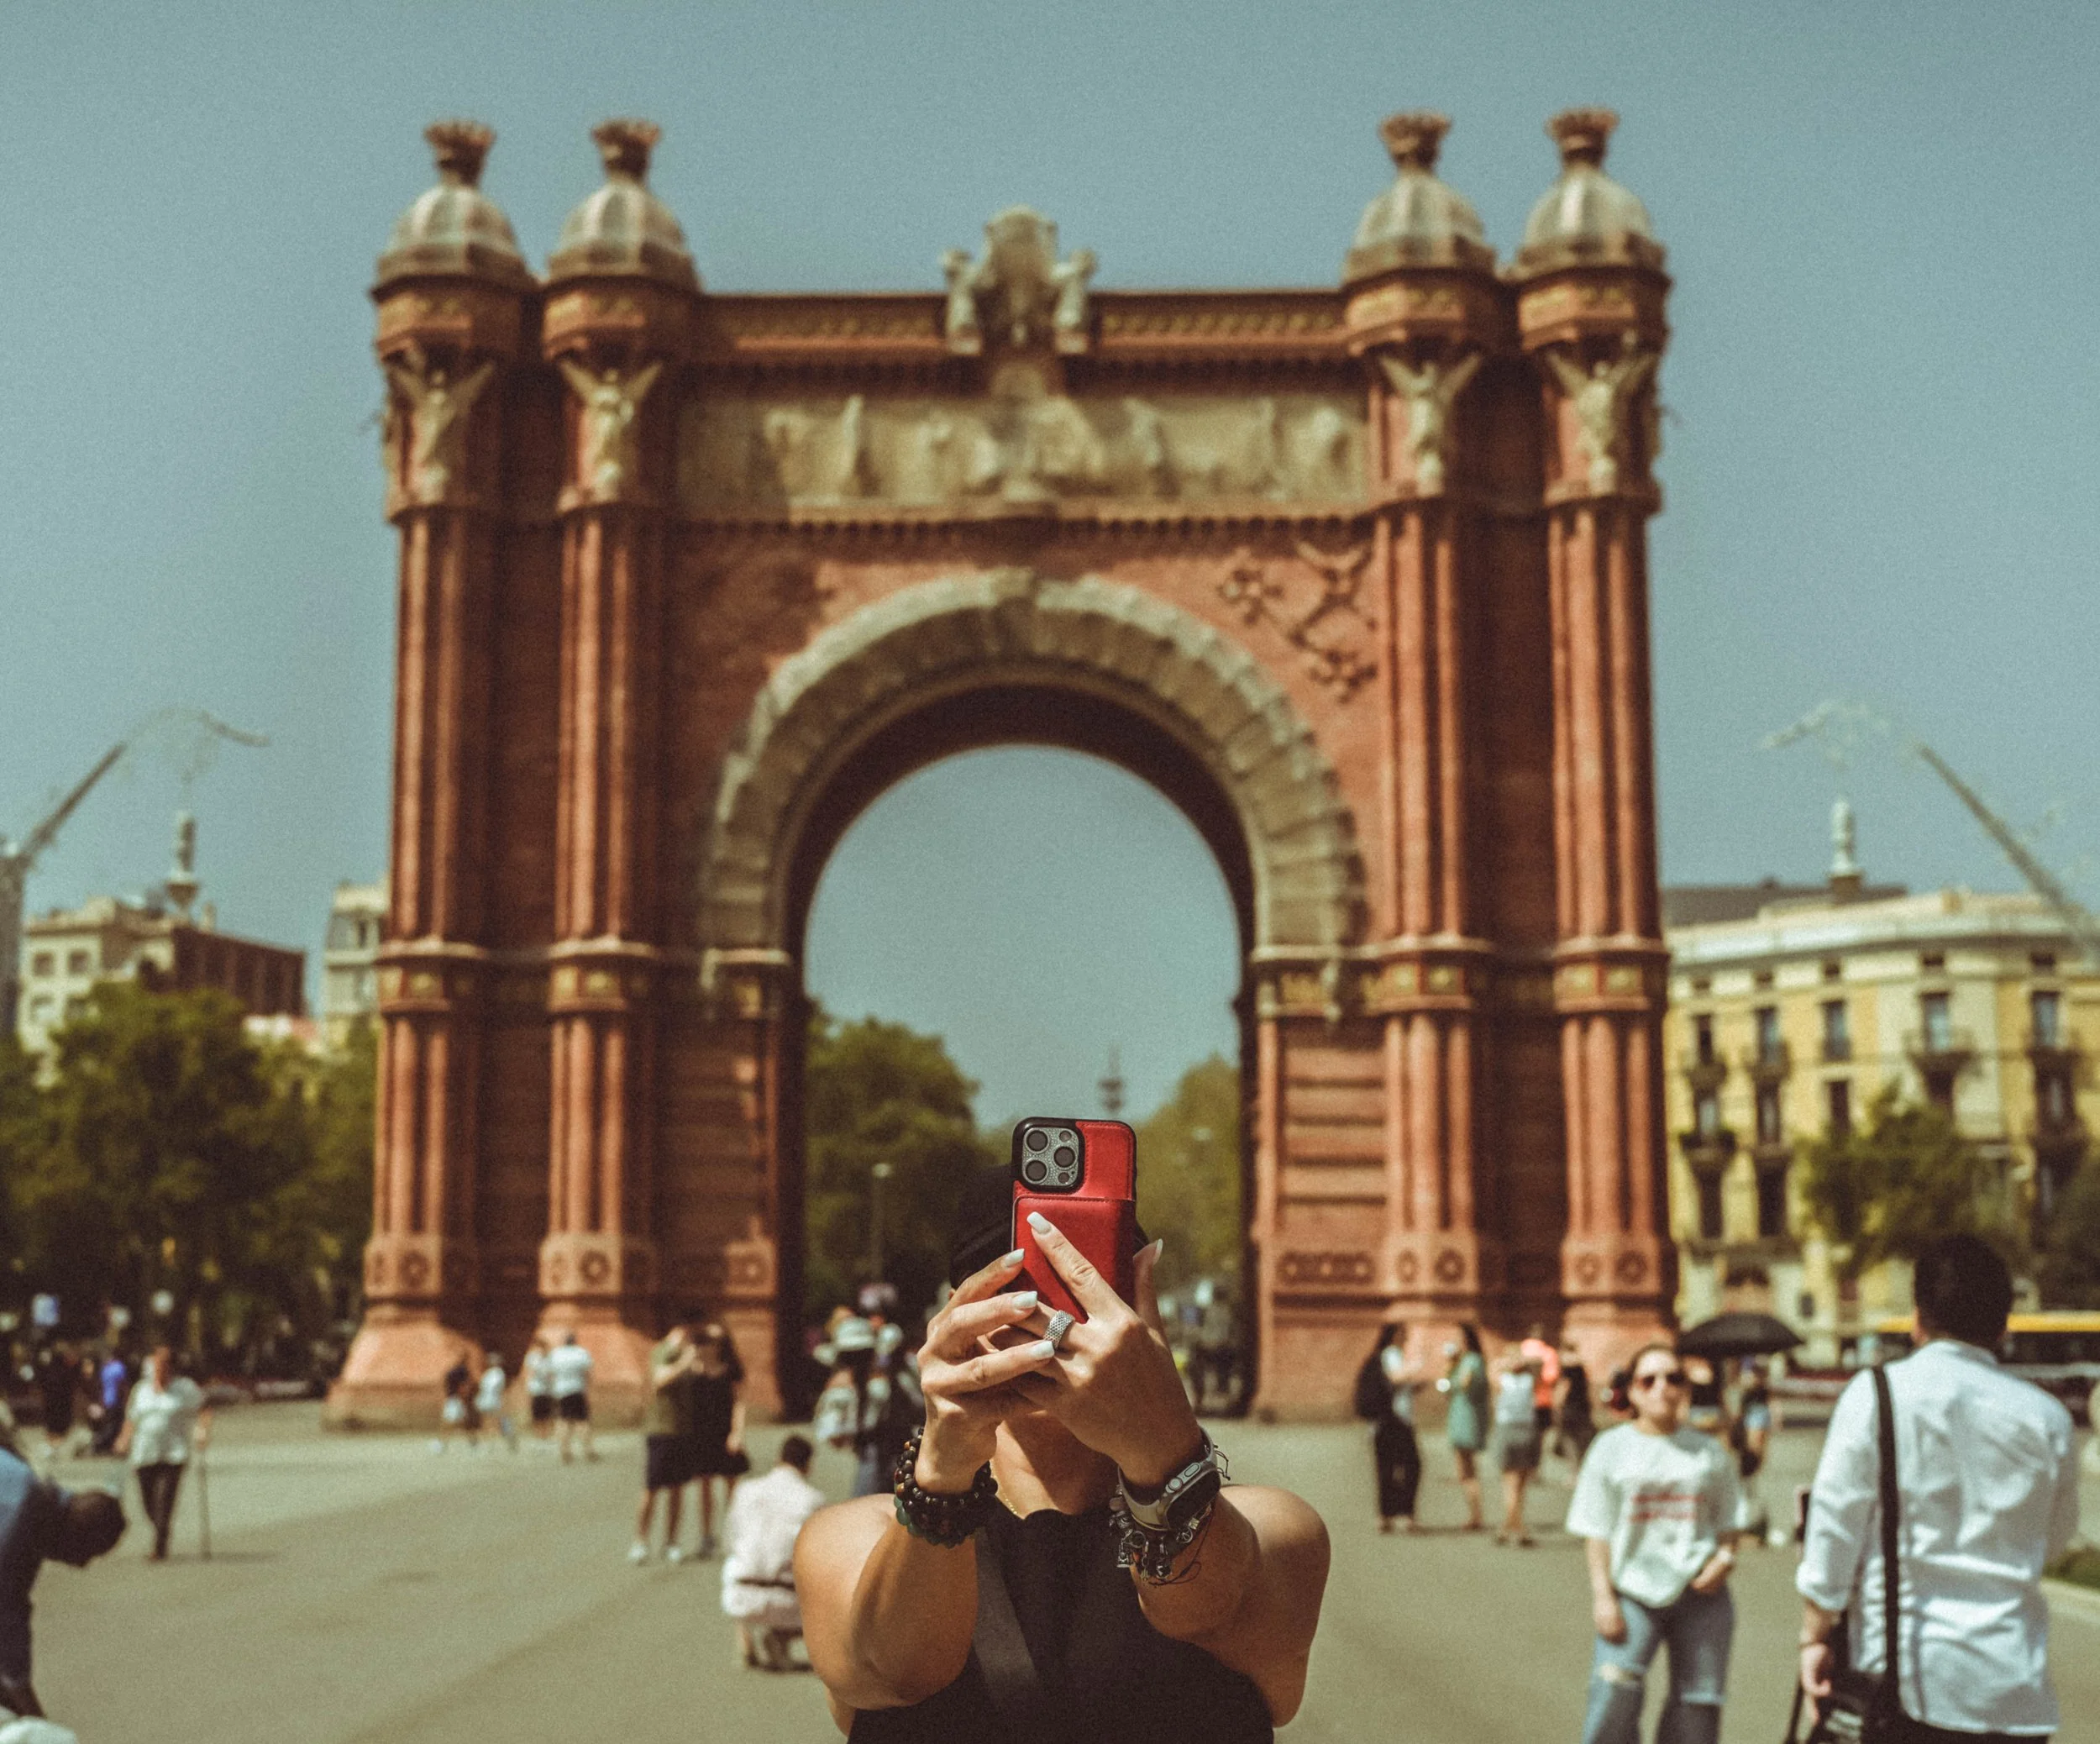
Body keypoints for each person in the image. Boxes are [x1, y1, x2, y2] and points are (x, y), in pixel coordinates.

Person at [796, 1168, 1329, 1741]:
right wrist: (943, 1470)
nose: (1049, 1326)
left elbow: (1204, 1606)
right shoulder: (847, 1540)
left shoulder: (1273, 1530)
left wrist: (1164, 1440)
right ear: (955, 1319)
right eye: (1018, 1293)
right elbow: (900, 1670)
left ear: (1139, 1313)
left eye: (1085, 1293)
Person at [1798, 1235, 2080, 1741]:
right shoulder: (2049, 1420)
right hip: (2012, 1687)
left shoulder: (1876, 1395)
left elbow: (1834, 1529)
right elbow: (2054, 1540)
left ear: (1917, 1317)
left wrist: (1814, 1636)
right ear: (2002, 1326)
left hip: (1909, 1682)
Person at [1566, 1340, 1744, 1744]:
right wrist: (1603, 1597)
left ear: (1685, 1388)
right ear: (1631, 1391)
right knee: (1614, 1690)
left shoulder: (1707, 1451)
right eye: (1649, 1380)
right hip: (1632, 1590)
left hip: (1700, 1592)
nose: (1662, 1388)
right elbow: (1596, 1528)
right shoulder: (1611, 1448)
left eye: (1673, 1378)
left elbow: (1730, 1519)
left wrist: (1725, 1558)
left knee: (1697, 1704)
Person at [0, 1446, 123, 1723]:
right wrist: (33, 1715)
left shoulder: (27, 1487)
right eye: (87, 1554)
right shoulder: (18, 1523)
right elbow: (7, 1620)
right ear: (77, 1535)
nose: (80, 1566)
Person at [722, 1434, 827, 1672]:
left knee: (738, 1558)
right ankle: (781, 1637)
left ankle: (744, 1632)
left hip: (739, 1594)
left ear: (778, 1459)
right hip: (787, 1601)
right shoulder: (813, 1500)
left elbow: (731, 1539)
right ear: (808, 1465)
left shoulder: (745, 1489)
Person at [113, 1346, 210, 1562]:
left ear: (170, 1368)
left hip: (173, 1453)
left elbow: (204, 1409)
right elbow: (132, 1418)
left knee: (164, 1500)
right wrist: (124, 1439)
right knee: (148, 1502)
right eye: (155, 1366)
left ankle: (160, 1544)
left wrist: (201, 1431)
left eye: (163, 1366)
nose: (158, 1371)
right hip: (144, 1453)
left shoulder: (184, 1389)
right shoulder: (141, 1390)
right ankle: (160, 1530)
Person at [634, 1324, 699, 1563]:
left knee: (677, 1489)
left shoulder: (687, 1354)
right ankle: (641, 1540)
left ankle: (672, 1541)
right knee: (651, 1488)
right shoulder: (662, 1351)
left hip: (681, 1431)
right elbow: (660, 1379)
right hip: (661, 1429)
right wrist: (685, 1361)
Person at [689, 1322, 750, 1554]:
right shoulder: (694, 1368)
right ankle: (707, 1536)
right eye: (705, 1340)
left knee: (732, 1486)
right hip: (701, 1432)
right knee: (704, 1486)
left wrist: (737, 1433)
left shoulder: (731, 1369)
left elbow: (739, 1404)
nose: (709, 1345)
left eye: (714, 1341)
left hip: (724, 1432)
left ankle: (736, 1532)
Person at [1353, 1325, 1421, 1534]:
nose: (1406, 1339)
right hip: (1394, 1421)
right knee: (1410, 1466)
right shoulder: (1391, 1354)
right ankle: (1404, 1515)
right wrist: (1416, 1367)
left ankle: (1387, 1516)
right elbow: (1395, 1378)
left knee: (1387, 1468)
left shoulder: (1385, 1356)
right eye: (1403, 1335)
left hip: (1385, 1422)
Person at [1440, 1326, 1489, 1532]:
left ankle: (1475, 1515)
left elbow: (1464, 1384)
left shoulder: (1471, 1361)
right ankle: (1474, 1513)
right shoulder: (1468, 1361)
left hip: (1467, 1418)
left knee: (1467, 1468)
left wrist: (1452, 1368)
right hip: (1461, 1416)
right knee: (1465, 1468)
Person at [1492, 1352, 1543, 1547]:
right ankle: (1513, 1527)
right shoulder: (1527, 1381)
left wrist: (1510, 1361)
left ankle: (1512, 1527)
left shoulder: (1509, 1380)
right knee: (1516, 1485)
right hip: (1522, 1431)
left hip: (1513, 1431)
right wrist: (1516, 1361)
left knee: (1514, 1484)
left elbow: (1493, 1368)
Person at [547, 1331, 596, 1463]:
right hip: (577, 1390)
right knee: (582, 1421)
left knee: (563, 1422)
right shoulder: (581, 1353)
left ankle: (565, 1451)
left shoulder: (556, 1354)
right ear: (574, 1341)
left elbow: (550, 1373)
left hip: (561, 1392)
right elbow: (588, 1373)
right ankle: (588, 1450)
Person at [31, 1353, 81, 1470]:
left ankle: (52, 1448)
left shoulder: (48, 1373)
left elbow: (41, 1388)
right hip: (62, 1405)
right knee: (59, 1428)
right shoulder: (66, 1373)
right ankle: (56, 1448)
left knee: (53, 1428)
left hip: (52, 1405)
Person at [1557, 1340, 1597, 1466]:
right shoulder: (1582, 1366)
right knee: (1583, 1439)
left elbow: (1565, 1386)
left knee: (1569, 1439)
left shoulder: (1567, 1367)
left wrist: (1557, 1404)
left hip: (1570, 1406)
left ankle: (1574, 1470)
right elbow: (1589, 1385)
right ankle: (1582, 1466)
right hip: (1583, 1405)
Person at [1520, 1323, 1561, 1439]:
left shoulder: (1523, 1349)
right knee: (1542, 1435)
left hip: (1522, 1399)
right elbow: (1552, 1377)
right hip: (1542, 1400)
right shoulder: (1549, 1353)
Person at [475, 1353, 513, 1452]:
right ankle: (487, 1443)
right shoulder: (488, 1373)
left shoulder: (499, 1374)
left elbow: (498, 1389)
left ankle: (495, 1442)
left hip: (493, 1400)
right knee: (486, 1422)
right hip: (486, 1400)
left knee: (494, 1422)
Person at [522, 1335, 555, 1445]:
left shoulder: (550, 1358)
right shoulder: (532, 1357)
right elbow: (529, 1372)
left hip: (547, 1390)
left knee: (547, 1413)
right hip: (536, 1389)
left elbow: (552, 1373)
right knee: (537, 1414)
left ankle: (547, 1434)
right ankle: (538, 1434)